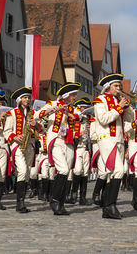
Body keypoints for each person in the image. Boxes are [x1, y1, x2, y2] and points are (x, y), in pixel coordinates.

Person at [34, 82, 81, 215]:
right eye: (73, 95)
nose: (75, 97)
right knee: (63, 169)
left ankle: (60, 202)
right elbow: (37, 115)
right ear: (66, 95)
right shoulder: (53, 104)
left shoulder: (73, 108)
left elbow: (82, 117)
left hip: (69, 141)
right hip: (56, 141)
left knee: (66, 173)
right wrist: (48, 111)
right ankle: (54, 200)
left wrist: (73, 116)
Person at [93, 74, 133, 219]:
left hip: (119, 139)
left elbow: (129, 120)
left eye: (119, 86)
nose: (119, 88)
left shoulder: (118, 100)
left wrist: (127, 108)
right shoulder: (100, 100)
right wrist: (118, 107)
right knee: (119, 170)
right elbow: (103, 119)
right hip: (107, 139)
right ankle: (111, 205)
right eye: (116, 86)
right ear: (108, 86)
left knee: (111, 174)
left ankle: (107, 208)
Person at [4, 87, 41, 213]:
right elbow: (6, 131)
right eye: (25, 97)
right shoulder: (12, 113)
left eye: (29, 97)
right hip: (18, 145)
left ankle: (22, 202)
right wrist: (14, 137)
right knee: (22, 171)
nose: (27, 99)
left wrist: (36, 125)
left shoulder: (33, 112)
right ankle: (19, 203)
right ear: (20, 100)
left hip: (30, 145)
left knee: (26, 175)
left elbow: (40, 130)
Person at [68, 98, 92, 205]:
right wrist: (79, 134)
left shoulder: (89, 119)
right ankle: (73, 195)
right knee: (77, 171)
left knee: (85, 172)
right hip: (77, 147)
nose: (86, 110)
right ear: (80, 107)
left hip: (86, 148)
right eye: (85, 107)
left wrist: (90, 132)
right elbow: (68, 132)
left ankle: (83, 197)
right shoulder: (74, 118)